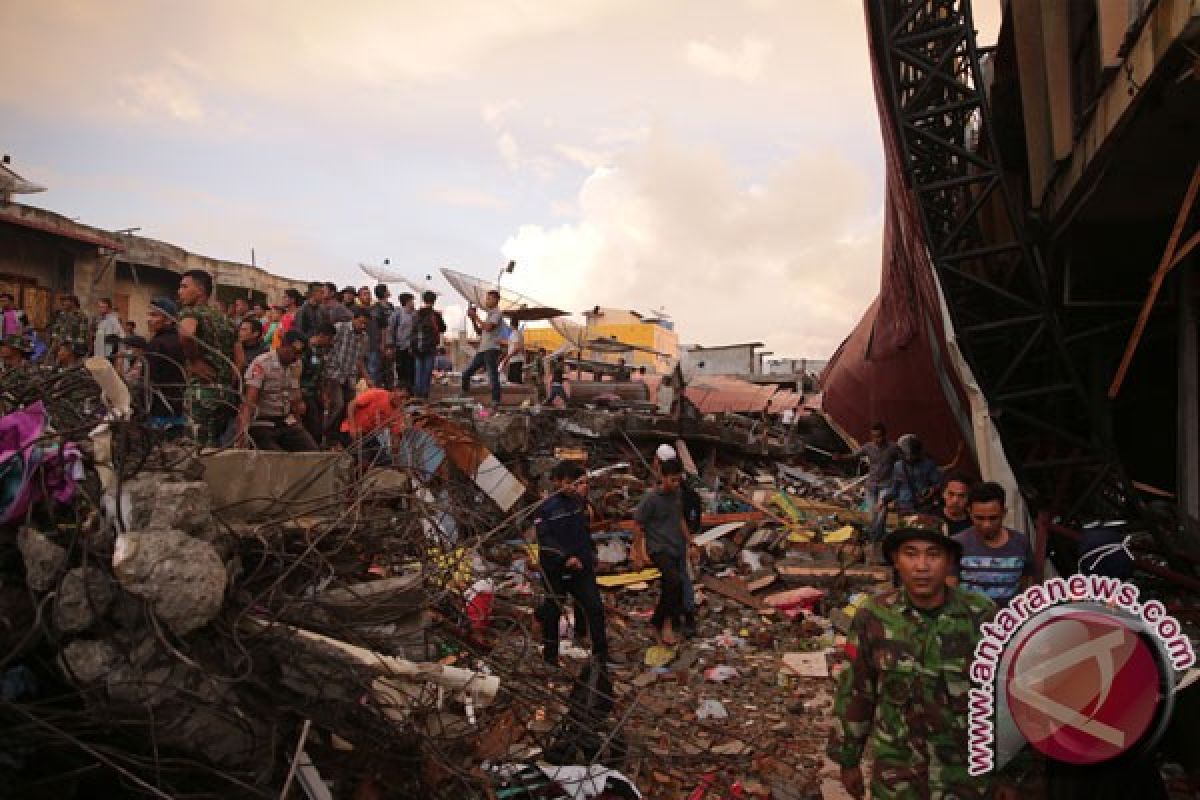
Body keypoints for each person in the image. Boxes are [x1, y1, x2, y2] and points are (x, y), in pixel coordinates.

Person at [829, 525, 1004, 800]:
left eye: (933, 555)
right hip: (897, 772)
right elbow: (856, 691)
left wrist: (1014, 772)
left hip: (964, 774)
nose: (922, 566)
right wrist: (848, 759)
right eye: (911, 554)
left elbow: (1005, 697)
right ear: (896, 561)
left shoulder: (981, 615)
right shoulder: (873, 616)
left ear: (949, 562)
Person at [535, 460, 608, 667]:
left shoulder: (579, 503)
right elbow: (546, 539)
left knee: (594, 607)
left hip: (581, 567)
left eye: (574, 482)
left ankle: (600, 655)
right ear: (557, 482)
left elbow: (583, 531)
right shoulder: (545, 509)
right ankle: (550, 657)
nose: (571, 487)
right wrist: (565, 558)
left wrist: (590, 555)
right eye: (567, 482)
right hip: (555, 569)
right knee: (553, 611)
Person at [949, 482, 1036, 607]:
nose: (986, 525)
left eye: (993, 518)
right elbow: (950, 590)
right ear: (969, 512)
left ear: (1004, 513)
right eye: (979, 518)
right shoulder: (957, 544)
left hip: (1011, 621)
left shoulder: (1020, 543)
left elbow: (1027, 585)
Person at [632, 459, 690, 646]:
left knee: (673, 587)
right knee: (674, 580)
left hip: (676, 546)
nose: (676, 484)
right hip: (658, 548)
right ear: (662, 477)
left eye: (678, 480)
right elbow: (638, 526)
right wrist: (639, 554)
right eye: (672, 480)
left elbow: (680, 518)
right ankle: (663, 623)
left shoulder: (677, 494)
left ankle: (662, 623)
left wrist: (691, 541)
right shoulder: (651, 499)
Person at [177, 269, 237, 447]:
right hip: (226, 395)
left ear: (200, 290)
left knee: (197, 448)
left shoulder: (190, 312)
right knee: (215, 445)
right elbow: (239, 360)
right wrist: (225, 381)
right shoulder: (226, 320)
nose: (179, 291)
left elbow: (187, 334)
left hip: (201, 391)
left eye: (184, 286)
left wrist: (195, 361)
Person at [236, 330, 316, 452]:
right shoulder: (262, 363)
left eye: (299, 355)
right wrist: (243, 431)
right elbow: (249, 401)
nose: (296, 358)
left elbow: (295, 398)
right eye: (294, 353)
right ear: (284, 346)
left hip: (285, 420)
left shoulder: (296, 365)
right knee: (276, 458)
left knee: (312, 451)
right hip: (263, 422)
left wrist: (299, 425)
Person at [834, 422, 900, 541]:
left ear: (885, 435)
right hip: (871, 484)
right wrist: (841, 457)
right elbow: (855, 456)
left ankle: (874, 536)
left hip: (886, 484)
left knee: (882, 512)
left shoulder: (893, 448)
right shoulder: (868, 447)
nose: (877, 439)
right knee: (872, 513)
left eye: (879, 436)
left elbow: (902, 463)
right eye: (874, 437)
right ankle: (876, 535)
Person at [323, 308, 371, 444]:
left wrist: (367, 377)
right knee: (337, 405)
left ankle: (339, 436)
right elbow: (326, 346)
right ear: (354, 319)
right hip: (334, 373)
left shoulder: (364, 337)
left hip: (350, 376)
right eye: (361, 322)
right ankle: (327, 435)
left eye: (365, 324)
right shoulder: (339, 328)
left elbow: (359, 359)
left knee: (348, 407)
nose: (363, 326)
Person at [142, 297, 188, 431]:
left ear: (168, 320)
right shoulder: (178, 339)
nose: (149, 319)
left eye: (154, 315)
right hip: (177, 407)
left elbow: (148, 380)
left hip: (159, 408)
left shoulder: (157, 344)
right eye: (149, 315)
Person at [461, 289, 503, 406]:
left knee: (492, 376)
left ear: (496, 300)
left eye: (489, 298)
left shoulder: (497, 313)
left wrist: (476, 316)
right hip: (483, 350)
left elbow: (489, 327)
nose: (487, 300)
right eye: (487, 298)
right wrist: (474, 320)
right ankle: (465, 392)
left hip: (491, 349)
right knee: (466, 373)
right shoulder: (489, 314)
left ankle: (495, 400)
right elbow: (480, 331)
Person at [886, 434, 941, 514]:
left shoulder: (928, 464)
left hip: (924, 506)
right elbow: (894, 488)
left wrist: (931, 491)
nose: (911, 458)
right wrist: (885, 500)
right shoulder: (898, 466)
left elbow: (938, 483)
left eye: (913, 454)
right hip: (903, 507)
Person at [299, 322, 334, 444]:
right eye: (329, 339)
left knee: (319, 423)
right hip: (303, 392)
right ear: (321, 336)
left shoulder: (321, 351)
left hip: (315, 392)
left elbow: (320, 374)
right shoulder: (304, 350)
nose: (330, 342)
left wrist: (324, 393)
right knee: (312, 424)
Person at [411, 291, 447, 399]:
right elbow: (443, 328)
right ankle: (424, 394)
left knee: (418, 372)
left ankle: (418, 394)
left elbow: (412, 330)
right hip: (430, 347)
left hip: (417, 347)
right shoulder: (435, 315)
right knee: (427, 372)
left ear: (423, 299)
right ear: (434, 301)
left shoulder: (416, 314)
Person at [48, 294, 89, 363]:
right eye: (62, 301)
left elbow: (82, 336)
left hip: (74, 350)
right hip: (61, 348)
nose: (63, 303)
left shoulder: (81, 316)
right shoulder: (62, 315)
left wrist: (71, 347)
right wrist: (53, 347)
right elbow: (57, 332)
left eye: (65, 301)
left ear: (72, 302)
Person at [386, 292, 416, 389]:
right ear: (407, 302)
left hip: (412, 348)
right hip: (400, 347)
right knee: (401, 370)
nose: (413, 303)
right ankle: (402, 390)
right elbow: (390, 329)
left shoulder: (415, 314)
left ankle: (410, 391)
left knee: (411, 371)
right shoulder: (398, 313)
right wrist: (390, 345)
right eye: (412, 301)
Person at [370, 284, 394, 388]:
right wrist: (382, 344)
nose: (389, 291)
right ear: (384, 292)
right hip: (379, 344)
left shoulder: (391, 306)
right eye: (387, 289)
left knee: (389, 371)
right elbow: (378, 328)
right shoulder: (375, 308)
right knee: (376, 371)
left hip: (390, 343)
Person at [500, 314, 526, 384]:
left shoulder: (515, 333)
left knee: (514, 383)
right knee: (515, 382)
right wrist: (498, 340)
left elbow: (517, 348)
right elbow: (510, 343)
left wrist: (507, 357)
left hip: (515, 361)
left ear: (511, 324)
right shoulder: (519, 334)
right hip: (516, 361)